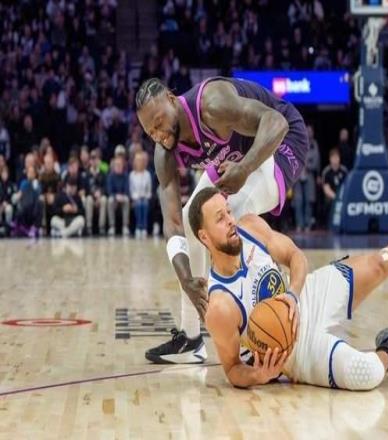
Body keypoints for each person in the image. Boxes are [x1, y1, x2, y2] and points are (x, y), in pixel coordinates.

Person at [191, 187, 388, 389]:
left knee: (381, 261)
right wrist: (259, 374)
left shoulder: (250, 227)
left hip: (306, 296)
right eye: (220, 218)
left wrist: (293, 293)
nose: (230, 221)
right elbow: (232, 369)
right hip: (294, 351)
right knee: (367, 374)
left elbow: (295, 256)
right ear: (204, 237)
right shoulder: (220, 306)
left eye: (228, 211)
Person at [136, 76, 309, 364]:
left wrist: (245, 168)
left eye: (159, 122)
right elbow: (173, 224)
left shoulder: (211, 104)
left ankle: (256, 332)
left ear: (171, 99)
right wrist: (186, 279)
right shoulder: (163, 152)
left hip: (282, 139)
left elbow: (276, 122)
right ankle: (191, 339)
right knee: (193, 220)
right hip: (237, 158)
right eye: (149, 131)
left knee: (232, 218)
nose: (158, 134)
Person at [321, 149, 348, 230]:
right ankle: (328, 224)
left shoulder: (344, 171)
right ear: (330, 159)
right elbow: (326, 189)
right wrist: (336, 198)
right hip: (332, 196)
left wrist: (342, 197)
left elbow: (347, 186)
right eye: (333, 158)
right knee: (327, 202)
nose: (335, 160)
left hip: (343, 196)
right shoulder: (326, 172)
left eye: (337, 157)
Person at [129, 151, 152, 238]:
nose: (139, 162)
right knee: (139, 204)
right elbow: (131, 190)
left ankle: (144, 228)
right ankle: (139, 227)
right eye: (137, 160)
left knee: (144, 204)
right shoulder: (132, 175)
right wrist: (136, 197)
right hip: (135, 198)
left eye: (140, 160)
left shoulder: (147, 174)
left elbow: (149, 190)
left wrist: (145, 196)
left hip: (145, 197)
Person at [106, 155, 130, 236]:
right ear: (114, 166)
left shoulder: (125, 175)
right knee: (110, 200)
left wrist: (122, 196)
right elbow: (109, 191)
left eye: (120, 165)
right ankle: (112, 226)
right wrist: (116, 196)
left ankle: (125, 226)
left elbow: (127, 190)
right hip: (114, 198)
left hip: (123, 198)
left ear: (123, 166)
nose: (118, 167)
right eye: (117, 165)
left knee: (126, 200)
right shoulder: (110, 176)